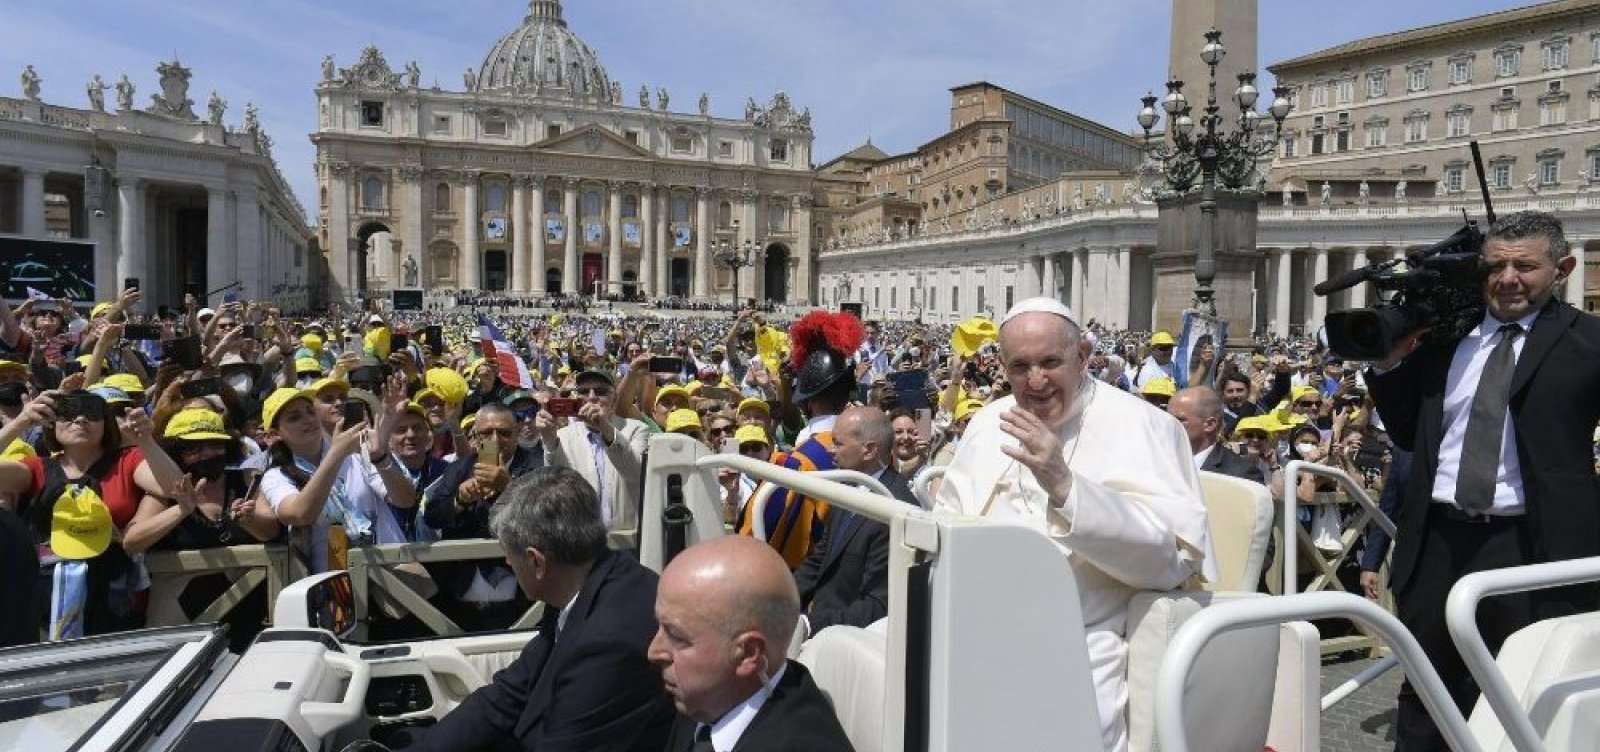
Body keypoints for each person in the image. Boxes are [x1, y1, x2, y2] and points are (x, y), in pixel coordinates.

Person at [933, 298, 1212, 752]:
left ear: (1082, 355)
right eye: (1020, 366)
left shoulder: (1146, 427)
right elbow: (948, 521)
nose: (1036, 381)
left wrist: (1065, 485)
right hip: (974, 622)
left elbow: (1171, 560)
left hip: (1083, 635)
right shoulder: (988, 421)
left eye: (1049, 362)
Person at [1366, 210, 1600, 751]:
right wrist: (1388, 367)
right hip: (1439, 542)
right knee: (1427, 688)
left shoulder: (1589, 341)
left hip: (1532, 548)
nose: (1508, 278)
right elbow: (1409, 435)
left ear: (1561, 269)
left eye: (1525, 266)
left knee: (1526, 690)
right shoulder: (1446, 341)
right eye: (1496, 265)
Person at [412, 467, 673, 752]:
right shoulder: (585, 580)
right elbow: (508, 695)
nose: (508, 564)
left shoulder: (610, 640)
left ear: (536, 562)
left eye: (508, 556)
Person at [651, 536, 855, 752]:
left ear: (749, 654)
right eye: (658, 625)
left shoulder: (801, 743)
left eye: (677, 637)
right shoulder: (706, 698)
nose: (654, 651)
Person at [794, 406, 919, 633]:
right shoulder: (849, 488)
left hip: (848, 642)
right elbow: (820, 558)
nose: (831, 450)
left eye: (838, 443)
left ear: (869, 450)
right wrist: (782, 598)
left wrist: (810, 625)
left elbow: (879, 605)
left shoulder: (898, 511)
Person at [424, 402, 542, 629]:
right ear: (475, 435)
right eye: (487, 432)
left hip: (522, 599)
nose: (495, 439)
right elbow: (432, 516)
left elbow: (544, 517)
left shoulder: (536, 465)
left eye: (504, 432)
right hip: (461, 598)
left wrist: (509, 487)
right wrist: (459, 499)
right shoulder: (459, 468)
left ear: (517, 433)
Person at [538, 370, 649, 538]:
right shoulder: (562, 436)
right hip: (581, 542)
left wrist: (604, 427)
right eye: (583, 392)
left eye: (601, 392)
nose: (591, 397)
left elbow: (634, 473)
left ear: (614, 400)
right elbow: (556, 483)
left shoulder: (635, 429)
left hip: (627, 541)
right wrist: (549, 439)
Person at [1169, 386, 1264, 484]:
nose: (1168, 424)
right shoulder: (1158, 459)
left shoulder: (1241, 475)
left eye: (1179, 420)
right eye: (1167, 418)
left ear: (1210, 425)